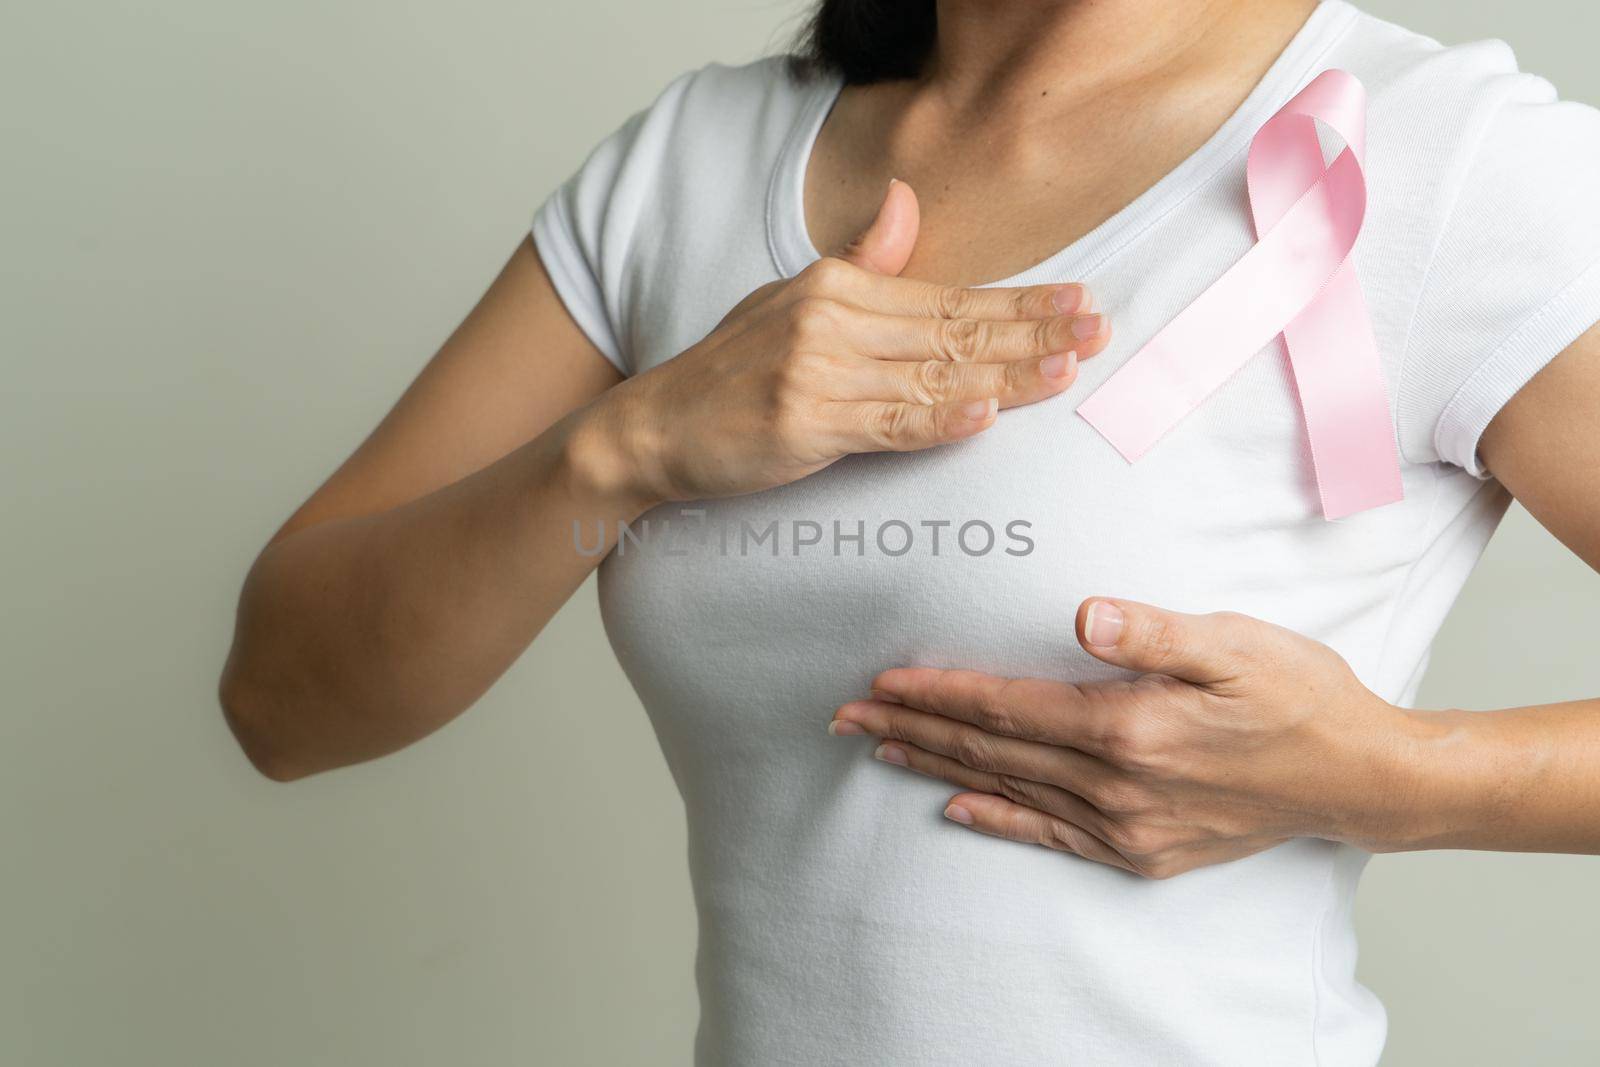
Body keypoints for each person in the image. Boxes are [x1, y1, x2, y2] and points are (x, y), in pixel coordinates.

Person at [218, 0, 1600, 1061]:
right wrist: (628, 447)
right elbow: (285, 701)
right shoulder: (698, 162)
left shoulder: (1437, 156)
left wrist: (1398, 778)